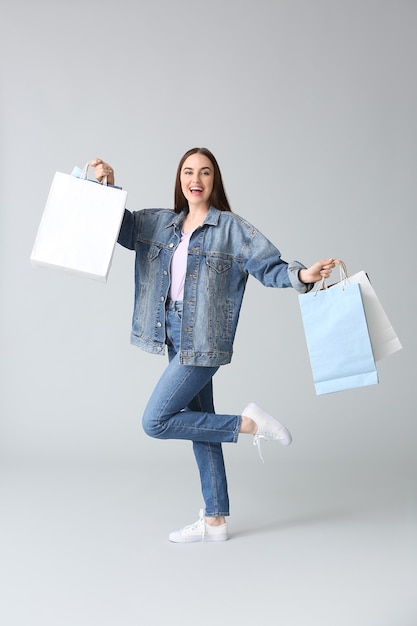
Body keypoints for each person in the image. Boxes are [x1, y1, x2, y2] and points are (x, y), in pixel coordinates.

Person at [91, 148, 337, 543]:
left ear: (214, 181)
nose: (196, 179)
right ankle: (216, 521)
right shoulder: (160, 224)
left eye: (205, 172)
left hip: (203, 337)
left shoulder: (231, 229)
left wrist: (303, 275)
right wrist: (106, 187)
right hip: (170, 331)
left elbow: (269, 267)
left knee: (155, 421)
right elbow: (120, 228)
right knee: (200, 423)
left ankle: (251, 423)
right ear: (180, 179)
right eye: (189, 171)